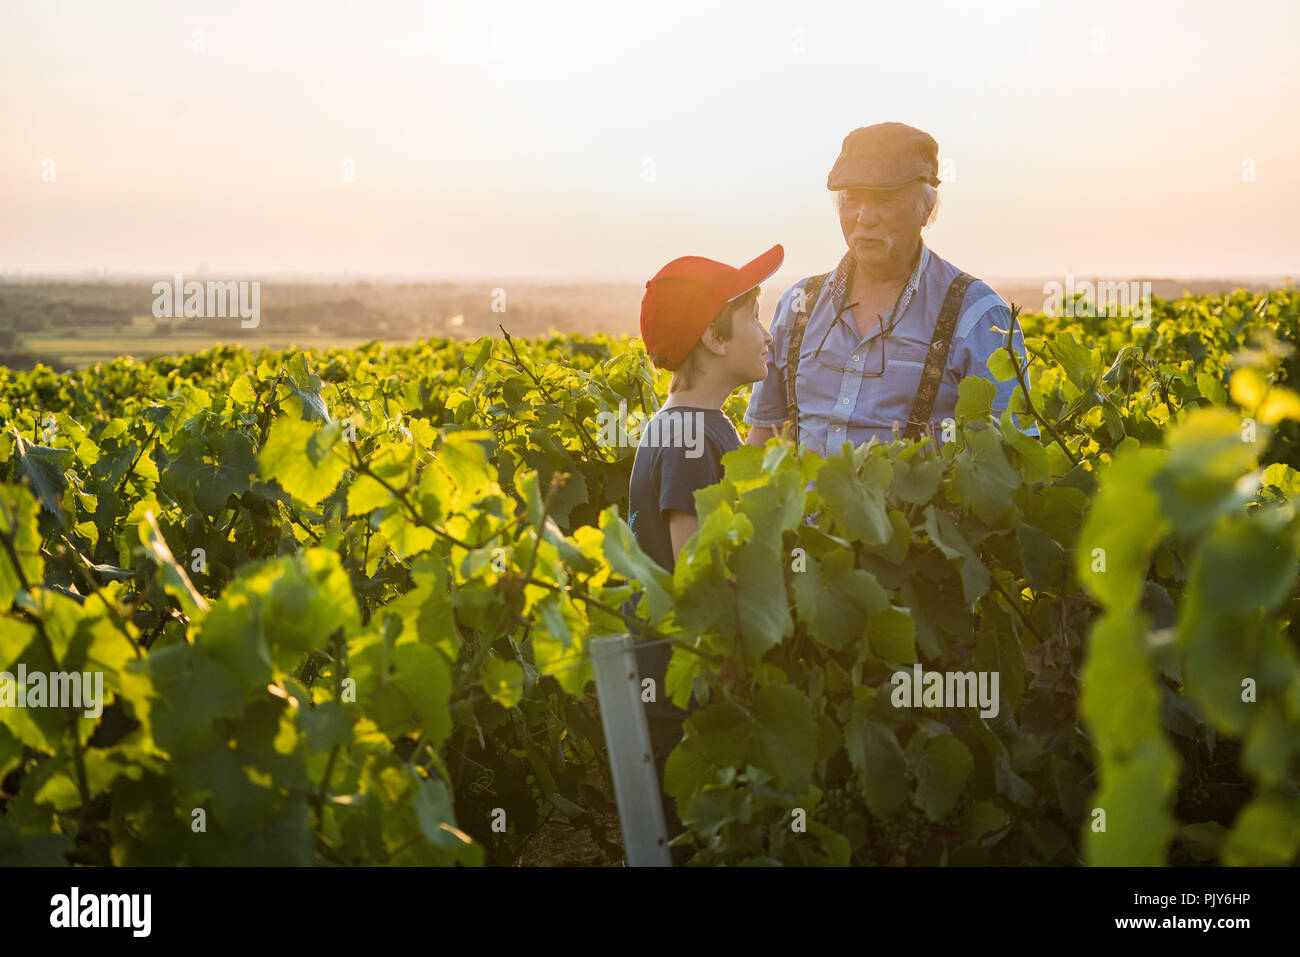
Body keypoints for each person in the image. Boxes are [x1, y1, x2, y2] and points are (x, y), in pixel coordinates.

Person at [744, 122, 1038, 456]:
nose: (864, 217)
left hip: (920, 510)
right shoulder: (798, 304)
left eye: (885, 199)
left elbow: (1013, 462)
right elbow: (764, 441)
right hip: (804, 511)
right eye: (852, 198)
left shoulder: (978, 314)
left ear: (926, 208)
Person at [626, 243, 783, 861]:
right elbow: (697, 574)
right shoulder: (692, 435)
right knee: (695, 844)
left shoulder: (696, 424)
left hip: (678, 691)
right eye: (753, 318)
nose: (767, 333)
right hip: (684, 696)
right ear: (716, 339)